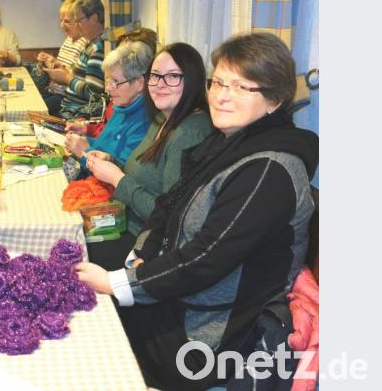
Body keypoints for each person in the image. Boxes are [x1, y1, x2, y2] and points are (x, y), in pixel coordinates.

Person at [75, 32, 318, 389]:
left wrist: (117, 283)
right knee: (84, 313)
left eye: (240, 86)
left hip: (211, 339)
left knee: (92, 334)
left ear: (274, 100)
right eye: (218, 81)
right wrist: (138, 257)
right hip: (181, 303)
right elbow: (170, 207)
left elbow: (206, 257)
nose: (221, 95)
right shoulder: (228, 144)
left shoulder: (269, 169)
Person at [84, 42, 212, 270]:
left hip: (145, 246)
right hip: (125, 224)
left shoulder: (190, 133)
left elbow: (170, 214)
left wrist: (116, 178)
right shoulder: (163, 119)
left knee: (72, 256)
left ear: (192, 80)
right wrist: (112, 163)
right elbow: (145, 175)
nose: (160, 85)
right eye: (155, 76)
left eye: (172, 76)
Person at [64, 41, 152, 176]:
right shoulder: (122, 107)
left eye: (115, 82)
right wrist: (85, 141)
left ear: (139, 83)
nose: (107, 88)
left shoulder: (144, 123)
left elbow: (123, 175)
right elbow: (104, 146)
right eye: (107, 81)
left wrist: (84, 153)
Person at [65, 27, 158, 138]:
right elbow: (106, 129)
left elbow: (112, 146)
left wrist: (87, 149)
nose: (120, 57)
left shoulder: (136, 105)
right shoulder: (122, 97)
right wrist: (86, 128)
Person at [44, 0, 107, 120]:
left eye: (79, 21)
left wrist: (66, 78)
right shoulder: (90, 44)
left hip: (76, 116)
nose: (77, 25)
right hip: (68, 110)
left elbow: (94, 95)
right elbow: (80, 76)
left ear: (94, 18)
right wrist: (62, 68)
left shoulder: (98, 49)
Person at [29, 0, 88, 115]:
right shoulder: (68, 40)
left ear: (78, 22)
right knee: (29, 101)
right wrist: (49, 61)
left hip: (64, 97)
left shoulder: (84, 43)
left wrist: (56, 68)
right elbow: (62, 65)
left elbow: (76, 75)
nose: (62, 25)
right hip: (52, 90)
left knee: (34, 112)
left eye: (66, 21)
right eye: (61, 20)